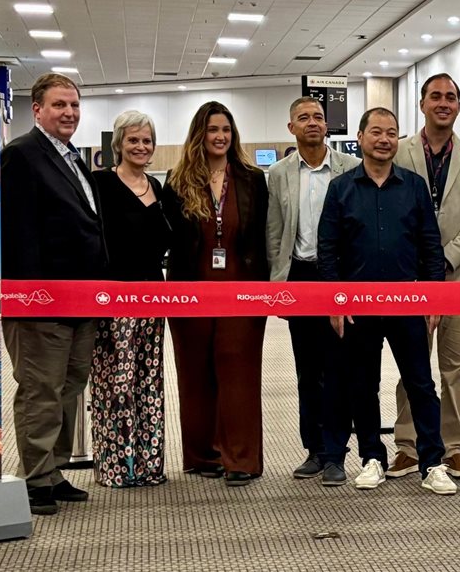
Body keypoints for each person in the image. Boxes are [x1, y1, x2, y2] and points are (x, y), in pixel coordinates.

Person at [317, 107, 456, 496]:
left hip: (408, 304)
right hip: (359, 308)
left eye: (391, 133)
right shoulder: (341, 188)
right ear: (359, 138)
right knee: (363, 384)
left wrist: (433, 297)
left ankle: (432, 462)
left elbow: (431, 247)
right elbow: (327, 250)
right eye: (376, 132)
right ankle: (372, 458)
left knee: (420, 384)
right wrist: (336, 302)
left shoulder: (413, 187)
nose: (384, 139)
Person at [1, 72, 107, 516]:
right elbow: (17, 231)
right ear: (37, 110)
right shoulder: (21, 155)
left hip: (80, 299)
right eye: (59, 105)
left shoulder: (73, 158)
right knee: (41, 389)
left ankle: (54, 470)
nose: (69, 113)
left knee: (69, 386)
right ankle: (34, 479)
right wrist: (30, 296)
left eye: (74, 105)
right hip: (41, 301)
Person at [388, 73, 460, 482]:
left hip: (458, 278)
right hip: (409, 280)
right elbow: (392, 213)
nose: (443, 103)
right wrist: (421, 266)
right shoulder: (399, 152)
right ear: (422, 104)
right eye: (435, 96)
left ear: (459, 106)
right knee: (412, 366)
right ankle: (407, 446)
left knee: (455, 367)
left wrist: (443, 262)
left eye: (450, 97)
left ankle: (453, 448)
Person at [163, 101, 270, 487]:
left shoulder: (252, 179)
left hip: (242, 288)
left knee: (238, 371)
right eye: (212, 130)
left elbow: (262, 236)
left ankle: (241, 458)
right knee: (195, 373)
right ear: (199, 135)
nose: (220, 136)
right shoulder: (178, 180)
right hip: (190, 289)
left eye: (226, 129)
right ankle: (202, 455)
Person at [266, 97, 359, 480]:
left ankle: (337, 452)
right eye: (303, 118)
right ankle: (315, 449)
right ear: (291, 128)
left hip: (338, 279)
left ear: (328, 126)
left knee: (338, 366)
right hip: (300, 278)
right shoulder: (279, 173)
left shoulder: (350, 168)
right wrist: (278, 280)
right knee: (307, 368)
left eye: (318, 117)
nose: (312, 123)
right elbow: (274, 231)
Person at [88, 110, 172, 488]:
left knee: (149, 381)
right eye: (133, 140)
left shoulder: (158, 187)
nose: (141, 147)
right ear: (118, 144)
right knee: (115, 382)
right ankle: (116, 467)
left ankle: (150, 463)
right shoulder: (100, 185)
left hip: (153, 297)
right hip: (113, 298)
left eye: (147, 140)